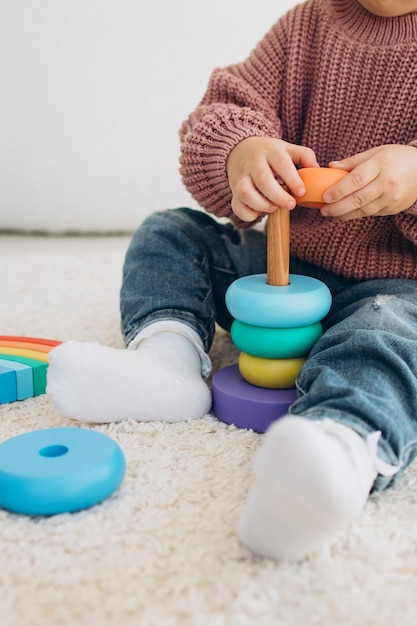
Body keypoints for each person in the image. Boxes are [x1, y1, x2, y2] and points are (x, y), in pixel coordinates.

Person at [46, 0, 417, 561]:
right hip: (276, 263)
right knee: (171, 233)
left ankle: (337, 450)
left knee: (389, 334)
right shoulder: (307, 25)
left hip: (395, 284)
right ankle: (165, 361)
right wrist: (241, 153)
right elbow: (223, 110)